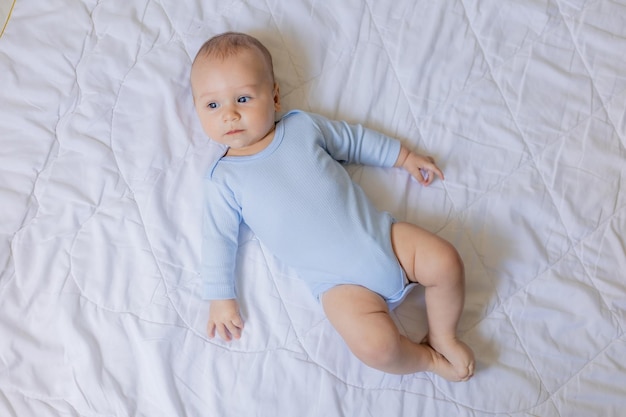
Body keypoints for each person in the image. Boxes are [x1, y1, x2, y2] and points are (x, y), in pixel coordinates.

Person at [191, 32, 475, 382]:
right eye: (212, 106)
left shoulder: (301, 127)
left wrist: (402, 156)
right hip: (340, 287)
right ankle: (428, 359)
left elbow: (353, 140)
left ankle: (443, 336)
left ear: (275, 96)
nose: (230, 115)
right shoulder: (223, 179)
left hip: (385, 239)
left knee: (446, 260)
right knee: (376, 348)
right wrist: (220, 297)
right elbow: (218, 239)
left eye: (243, 98)